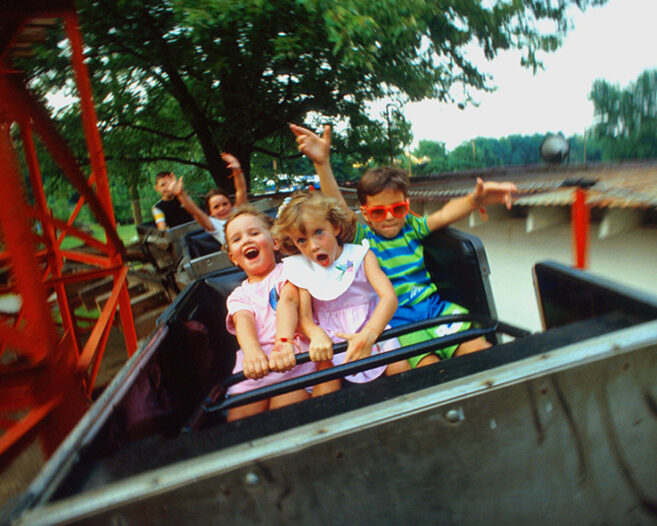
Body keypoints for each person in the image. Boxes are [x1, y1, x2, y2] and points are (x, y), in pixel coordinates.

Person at [290, 123, 518, 368]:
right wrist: (322, 164)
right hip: (398, 320)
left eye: (397, 209)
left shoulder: (412, 227)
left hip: (433, 309)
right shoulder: (363, 237)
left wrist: (474, 199)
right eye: (379, 212)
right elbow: (338, 207)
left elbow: (443, 215)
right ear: (366, 214)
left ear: (406, 206)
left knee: (480, 351)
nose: (389, 217)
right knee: (427, 368)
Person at [273, 191, 409, 393]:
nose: (313, 245)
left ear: (335, 227)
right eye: (301, 240)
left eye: (319, 232)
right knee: (325, 383)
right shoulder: (302, 270)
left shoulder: (361, 256)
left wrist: (370, 333)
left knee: (401, 369)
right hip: (331, 337)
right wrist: (316, 334)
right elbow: (305, 318)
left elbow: (388, 297)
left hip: (371, 327)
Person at [223, 205, 318, 421]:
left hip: (294, 359)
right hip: (256, 366)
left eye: (254, 233)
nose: (246, 240)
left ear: (275, 242)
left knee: (281, 416)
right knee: (239, 422)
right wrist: (253, 352)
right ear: (233, 258)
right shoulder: (239, 295)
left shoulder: (290, 270)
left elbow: (289, 299)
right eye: (237, 239)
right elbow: (243, 321)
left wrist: (283, 342)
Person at [164, 153, 248, 245]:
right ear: (210, 212)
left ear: (231, 204)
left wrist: (237, 169)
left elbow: (241, 190)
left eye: (225, 204)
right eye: (216, 207)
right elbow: (196, 212)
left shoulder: (237, 212)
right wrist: (181, 194)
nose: (222, 208)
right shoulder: (214, 225)